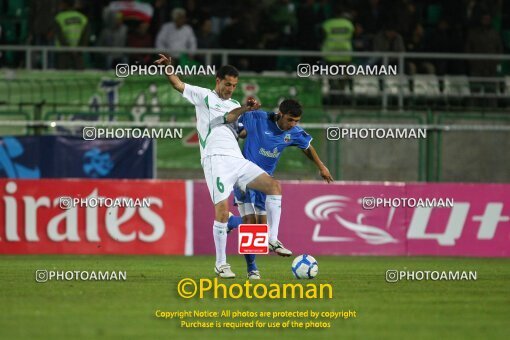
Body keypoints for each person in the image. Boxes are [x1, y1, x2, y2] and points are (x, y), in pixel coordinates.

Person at [154, 54, 290, 279]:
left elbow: (238, 130)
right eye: (227, 84)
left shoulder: (236, 103)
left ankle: (271, 238)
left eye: (234, 86)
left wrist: (254, 127)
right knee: (223, 212)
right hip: (214, 159)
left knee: (273, 186)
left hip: (236, 159)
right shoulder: (204, 96)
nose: (230, 89)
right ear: (218, 80)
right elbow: (178, 84)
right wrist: (169, 67)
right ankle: (221, 264)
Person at [227, 99, 334, 279]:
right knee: (252, 226)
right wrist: (241, 129)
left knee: (258, 229)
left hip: (264, 181)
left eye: (296, 121)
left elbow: (307, 146)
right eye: (290, 120)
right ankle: (253, 266)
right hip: (243, 175)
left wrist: (321, 166)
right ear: (280, 114)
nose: (293, 124)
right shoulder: (258, 118)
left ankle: (232, 223)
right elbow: (235, 123)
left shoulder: (293, 132)